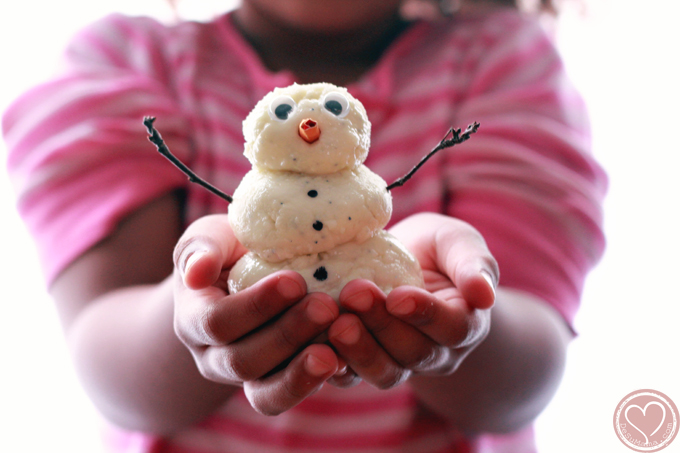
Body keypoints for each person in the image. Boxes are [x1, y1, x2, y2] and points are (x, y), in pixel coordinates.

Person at [2, 0, 606, 451]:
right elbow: (108, 366)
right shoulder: (122, 65)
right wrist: (197, 305)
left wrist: (461, 323)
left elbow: (528, 376)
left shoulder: (503, 62)